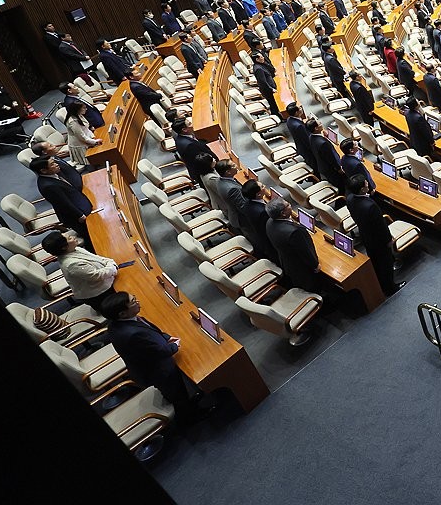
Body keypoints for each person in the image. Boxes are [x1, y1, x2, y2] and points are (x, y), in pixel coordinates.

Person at [98, 291, 212, 422]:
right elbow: (159, 352)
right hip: (159, 371)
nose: (138, 302)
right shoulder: (132, 334)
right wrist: (175, 345)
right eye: (133, 302)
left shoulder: (116, 324)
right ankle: (190, 417)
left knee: (178, 392)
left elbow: (150, 329)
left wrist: (166, 337)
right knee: (177, 395)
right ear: (122, 313)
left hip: (149, 364)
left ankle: (188, 405)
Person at [346, 175, 405, 295]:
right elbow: (380, 226)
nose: (368, 184)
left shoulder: (350, 198)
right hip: (379, 240)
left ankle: (380, 282)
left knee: (376, 261)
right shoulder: (370, 206)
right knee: (386, 262)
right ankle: (390, 288)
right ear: (362, 189)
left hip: (366, 235)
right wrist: (388, 239)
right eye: (366, 184)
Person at [40, 230, 116, 309]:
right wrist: (113, 266)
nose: (73, 237)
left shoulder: (75, 249)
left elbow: (98, 258)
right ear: (64, 247)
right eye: (69, 238)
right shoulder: (71, 264)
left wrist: (110, 263)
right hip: (100, 294)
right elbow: (96, 276)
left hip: (107, 275)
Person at [31, 157, 94, 249]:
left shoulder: (53, 174)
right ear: (44, 170)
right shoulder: (48, 186)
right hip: (75, 216)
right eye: (52, 164)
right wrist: (79, 215)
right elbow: (64, 203)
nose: (56, 164)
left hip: (79, 203)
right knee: (89, 236)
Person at [266, 198, 321, 292]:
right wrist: (315, 265)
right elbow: (305, 252)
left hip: (288, 263)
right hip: (303, 269)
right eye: (288, 205)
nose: (290, 205)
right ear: (283, 213)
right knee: (313, 287)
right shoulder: (295, 232)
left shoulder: (269, 222)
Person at [239, 180, 279, 264]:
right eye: (262, 187)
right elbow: (270, 228)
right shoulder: (263, 212)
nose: (264, 186)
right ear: (258, 194)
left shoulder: (247, 204)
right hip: (270, 243)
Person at [307, 118, 344, 188]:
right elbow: (331, 158)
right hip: (331, 170)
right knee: (340, 185)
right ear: (316, 128)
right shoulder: (323, 143)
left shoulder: (311, 137)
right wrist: (339, 168)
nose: (321, 123)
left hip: (322, 166)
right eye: (320, 124)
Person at [64, 101, 101, 167]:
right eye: (84, 108)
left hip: (87, 139)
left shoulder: (79, 115)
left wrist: (92, 137)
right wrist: (94, 142)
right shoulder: (72, 121)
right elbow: (81, 136)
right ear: (77, 109)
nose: (86, 109)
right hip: (80, 144)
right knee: (89, 163)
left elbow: (86, 127)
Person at [285, 102, 318, 170]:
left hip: (300, 145)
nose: (301, 108)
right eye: (300, 108)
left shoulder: (289, 119)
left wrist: (308, 123)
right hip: (307, 150)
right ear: (296, 112)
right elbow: (307, 141)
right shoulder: (299, 126)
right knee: (314, 165)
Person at [251, 52, 281, 118]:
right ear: (257, 59)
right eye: (261, 57)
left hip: (270, 86)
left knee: (274, 103)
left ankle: (277, 115)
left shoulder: (261, 64)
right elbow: (263, 82)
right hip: (267, 90)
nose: (263, 58)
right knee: (273, 104)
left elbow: (269, 70)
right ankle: (277, 116)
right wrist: (271, 89)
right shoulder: (258, 69)